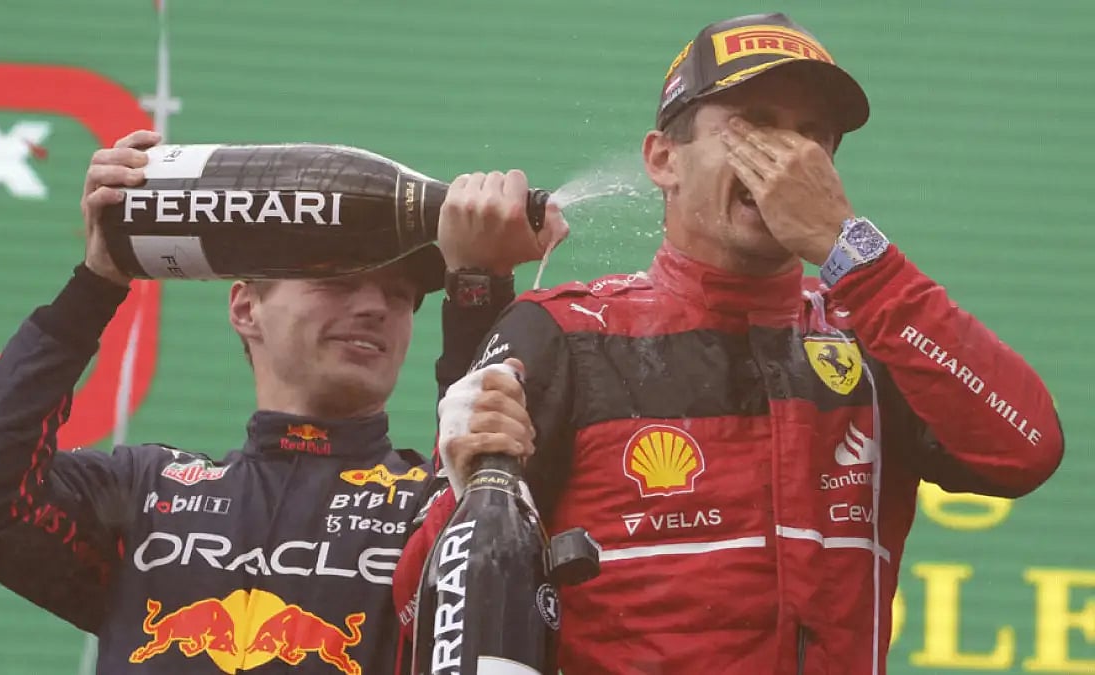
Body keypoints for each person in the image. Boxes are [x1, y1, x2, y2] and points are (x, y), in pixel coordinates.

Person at [394, 12, 1065, 675]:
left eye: (813, 137)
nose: (788, 159)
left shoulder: (873, 331)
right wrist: (462, 487)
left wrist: (849, 249)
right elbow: (420, 612)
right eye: (755, 126)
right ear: (663, 159)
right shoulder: (566, 334)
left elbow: (1024, 450)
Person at [0, 129, 559, 674]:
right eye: (338, 281)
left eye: (399, 295)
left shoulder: (438, 505)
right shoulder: (143, 492)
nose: (374, 307)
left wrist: (476, 286)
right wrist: (97, 283)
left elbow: (479, 491)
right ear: (245, 306)